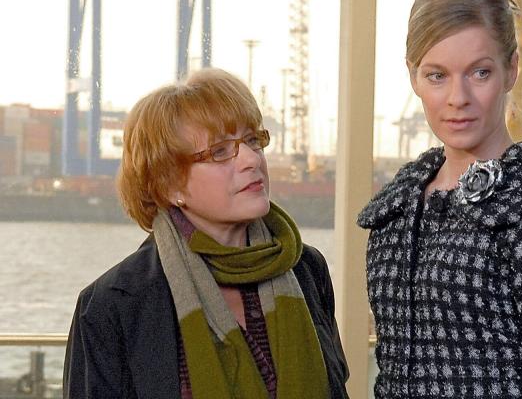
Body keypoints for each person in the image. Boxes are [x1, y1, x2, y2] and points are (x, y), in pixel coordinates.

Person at [357, 0, 522, 398]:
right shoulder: (396, 214)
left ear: (511, 70)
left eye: (479, 73)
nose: (458, 98)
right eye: (437, 75)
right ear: (414, 76)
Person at [63, 68, 349, 399]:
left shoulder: (306, 268)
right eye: (220, 151)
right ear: (169, 185)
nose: (251, 159)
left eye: (253, 140)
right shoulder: (111, 305)